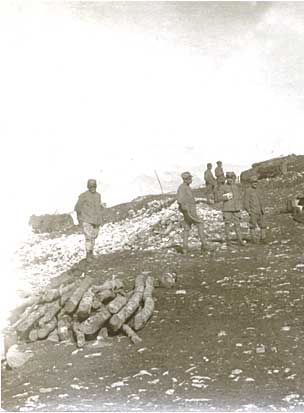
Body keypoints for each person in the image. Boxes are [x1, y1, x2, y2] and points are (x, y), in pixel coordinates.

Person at [177, 171, 211, 254]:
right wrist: (186, 210)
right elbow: (180, 200)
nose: (191, 179)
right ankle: (204, 245)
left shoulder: (186, 187)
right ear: (186, 179)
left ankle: (185, 248)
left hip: (189, 211)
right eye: (189, 178)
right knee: (200, 224)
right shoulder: (182, 187)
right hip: (190, 211)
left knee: (187, 228)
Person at [74, 179, 105, 262]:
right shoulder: (83, 196)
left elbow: (98, 207)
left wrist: (101, 218)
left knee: (94, 237)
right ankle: (88, 256)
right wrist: (80, 219)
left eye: (94, 186)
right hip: (87, 220)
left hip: (96, 220)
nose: (93, 187)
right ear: (88, 186)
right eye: (91, 186)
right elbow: (77, 208)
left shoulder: (98, 195)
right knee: (88, 238)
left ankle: (91, 254)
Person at [219, 171, 246, 246]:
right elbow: (218, 197)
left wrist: (240, 206)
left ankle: (240, 240)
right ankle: (228, 241)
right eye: (228, 178)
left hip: (236, 209)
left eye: (231, 178)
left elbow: (239, 197)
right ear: (226, 178)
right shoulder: (223, 187)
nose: (230, 179)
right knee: (227, 225)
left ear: (233, 178)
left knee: (237, 225)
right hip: (227, 209)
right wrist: (225, 197)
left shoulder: (236, 187)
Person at [244, 176, 267, 244]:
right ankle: (253, 240)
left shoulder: (258, 190)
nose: (255, 183)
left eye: (256, 182)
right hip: (253, 212)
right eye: (253, 182)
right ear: (250, 183)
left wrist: (263, 209)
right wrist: (248, 210)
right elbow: (246, 202)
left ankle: (263, 238)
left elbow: (261, 201)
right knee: (252, 226)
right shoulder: (248, 191)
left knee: (263, 225)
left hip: (260, 211)